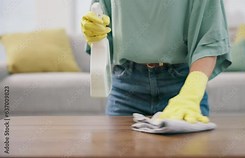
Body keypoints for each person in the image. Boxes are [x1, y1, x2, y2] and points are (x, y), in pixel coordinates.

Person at [81, 0, 231, 123]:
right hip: (126, 88)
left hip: (182, 85)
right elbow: (104, 28)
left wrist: (190, 95)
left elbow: (210, 39)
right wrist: (96, 33)